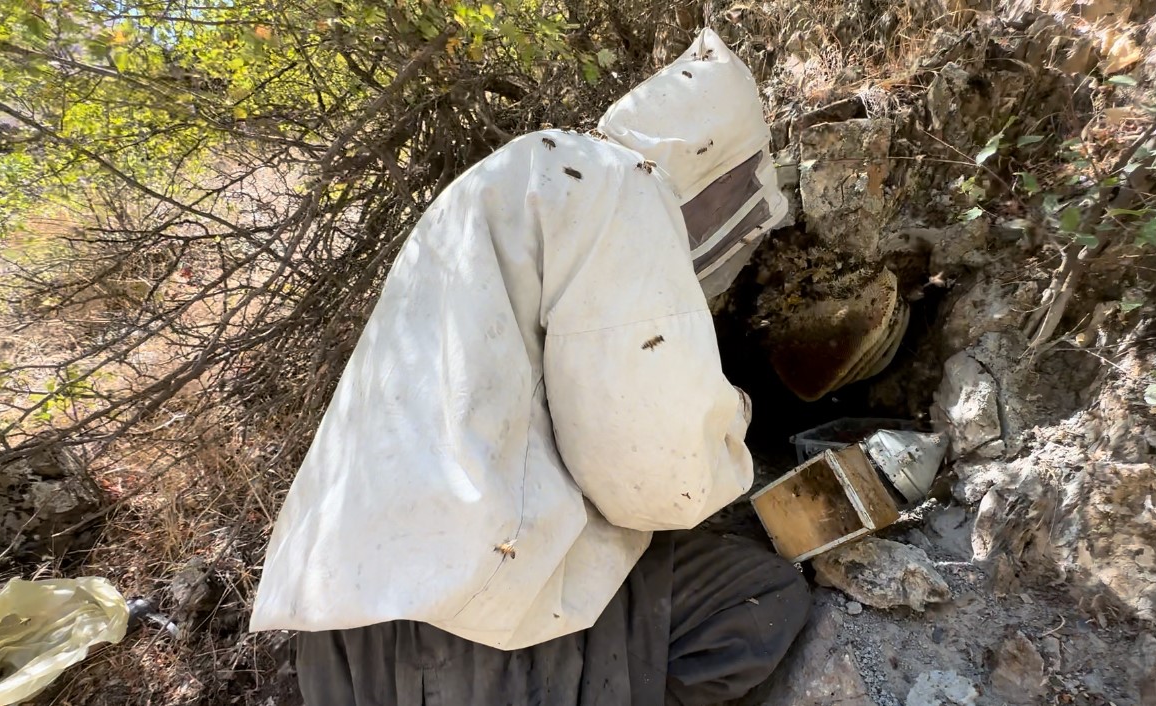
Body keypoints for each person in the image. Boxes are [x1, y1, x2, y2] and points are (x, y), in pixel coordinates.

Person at [249, 29, 808, 705]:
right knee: (759, 596)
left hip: (340, 629)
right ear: (714, 167)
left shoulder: (514, 179)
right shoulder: (618, 189)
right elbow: (657, 480)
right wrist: (733, 438)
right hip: (468, 629)